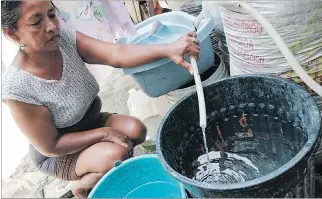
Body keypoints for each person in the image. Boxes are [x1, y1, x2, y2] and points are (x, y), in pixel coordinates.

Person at [1, 1, 200, 198]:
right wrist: (105, 134)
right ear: (12, 33)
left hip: (89, 121)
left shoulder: (65, 39)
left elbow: (115, 53)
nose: (51, 26)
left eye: (52, 15)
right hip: (60, 151)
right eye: (37, 22)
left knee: (136, 130)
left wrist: (168, 49)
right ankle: (82, 186)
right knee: (115, 155)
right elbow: (51, 145)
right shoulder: (18, 87)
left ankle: (107, 165)